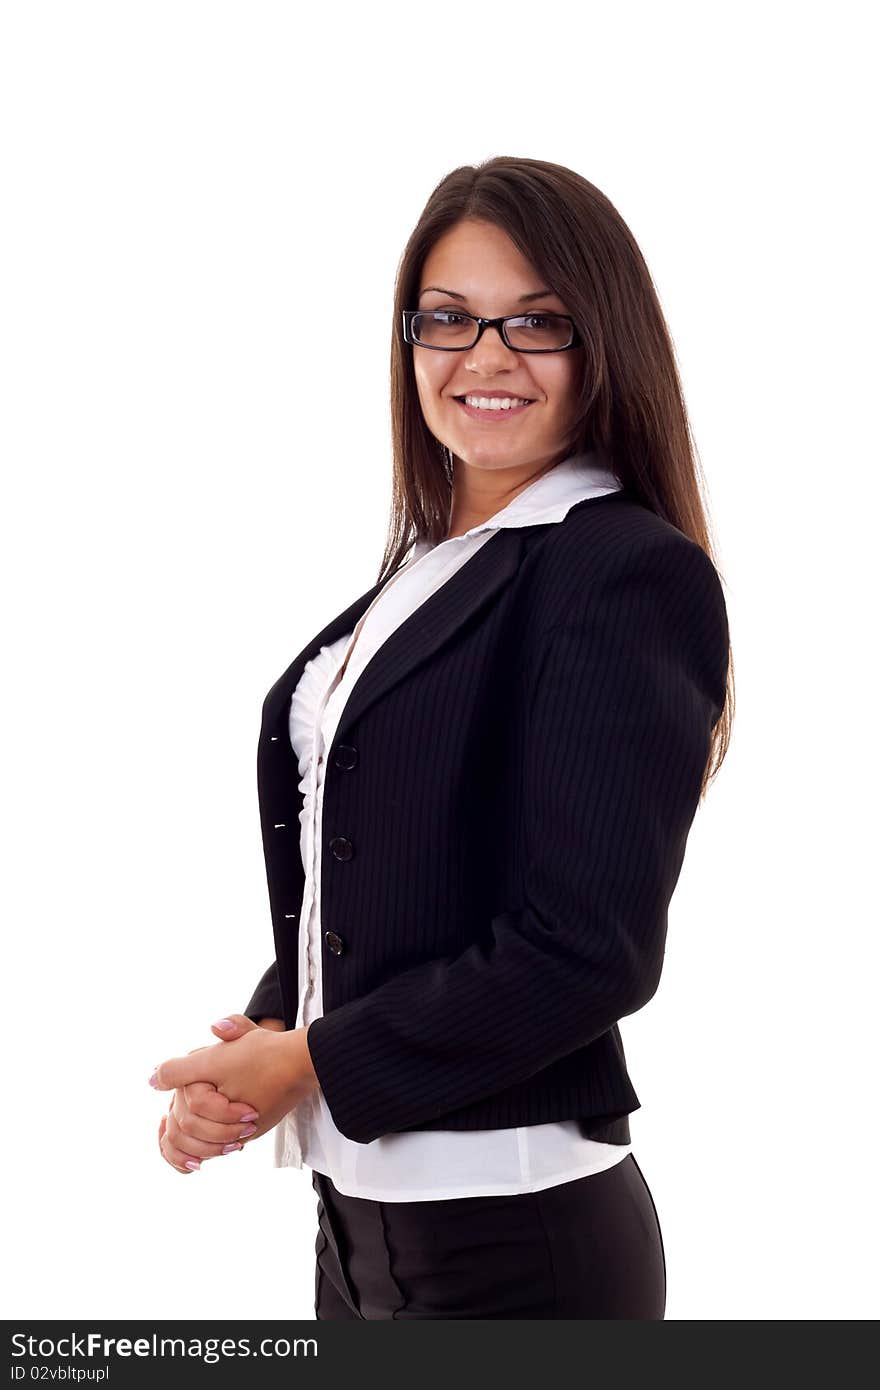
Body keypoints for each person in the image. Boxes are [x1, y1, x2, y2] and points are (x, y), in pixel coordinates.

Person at [150, 155, 733, 1320]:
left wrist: (310, 1062)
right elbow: (384, 873)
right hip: (355, 1223)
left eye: (537, 322)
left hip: (514, 1238)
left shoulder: (617, 571)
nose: (484, 357)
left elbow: (588, 947)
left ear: (601, 340)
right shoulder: (430, 568)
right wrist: (269, 1040)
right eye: (448, 320)